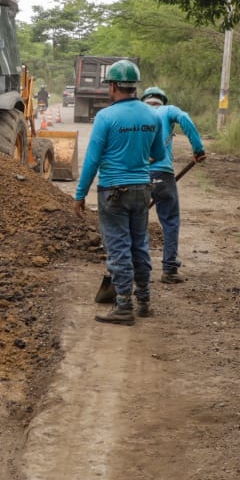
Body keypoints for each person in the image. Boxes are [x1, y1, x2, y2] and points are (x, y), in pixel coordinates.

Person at [73, 59, 166, 325]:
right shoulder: (152, 115)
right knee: (140, 244)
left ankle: (124, 306)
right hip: (142, 189)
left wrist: (80, 195)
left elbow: (92, 160)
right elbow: (158, 154)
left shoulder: (106, 116)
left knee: (119, 248)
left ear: (113, 85)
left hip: (113, 191)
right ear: (134, 86)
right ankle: (144, 301)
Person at [143, 87, 207, 283]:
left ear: (145, 100)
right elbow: (185, 119)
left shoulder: (136, 112)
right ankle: (169, 270)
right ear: (161, 100)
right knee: (170, 221)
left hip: (137, 175)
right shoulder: (168, 110)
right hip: (162, 174)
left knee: (135, 221)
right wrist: (198, 149)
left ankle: (134, 269)